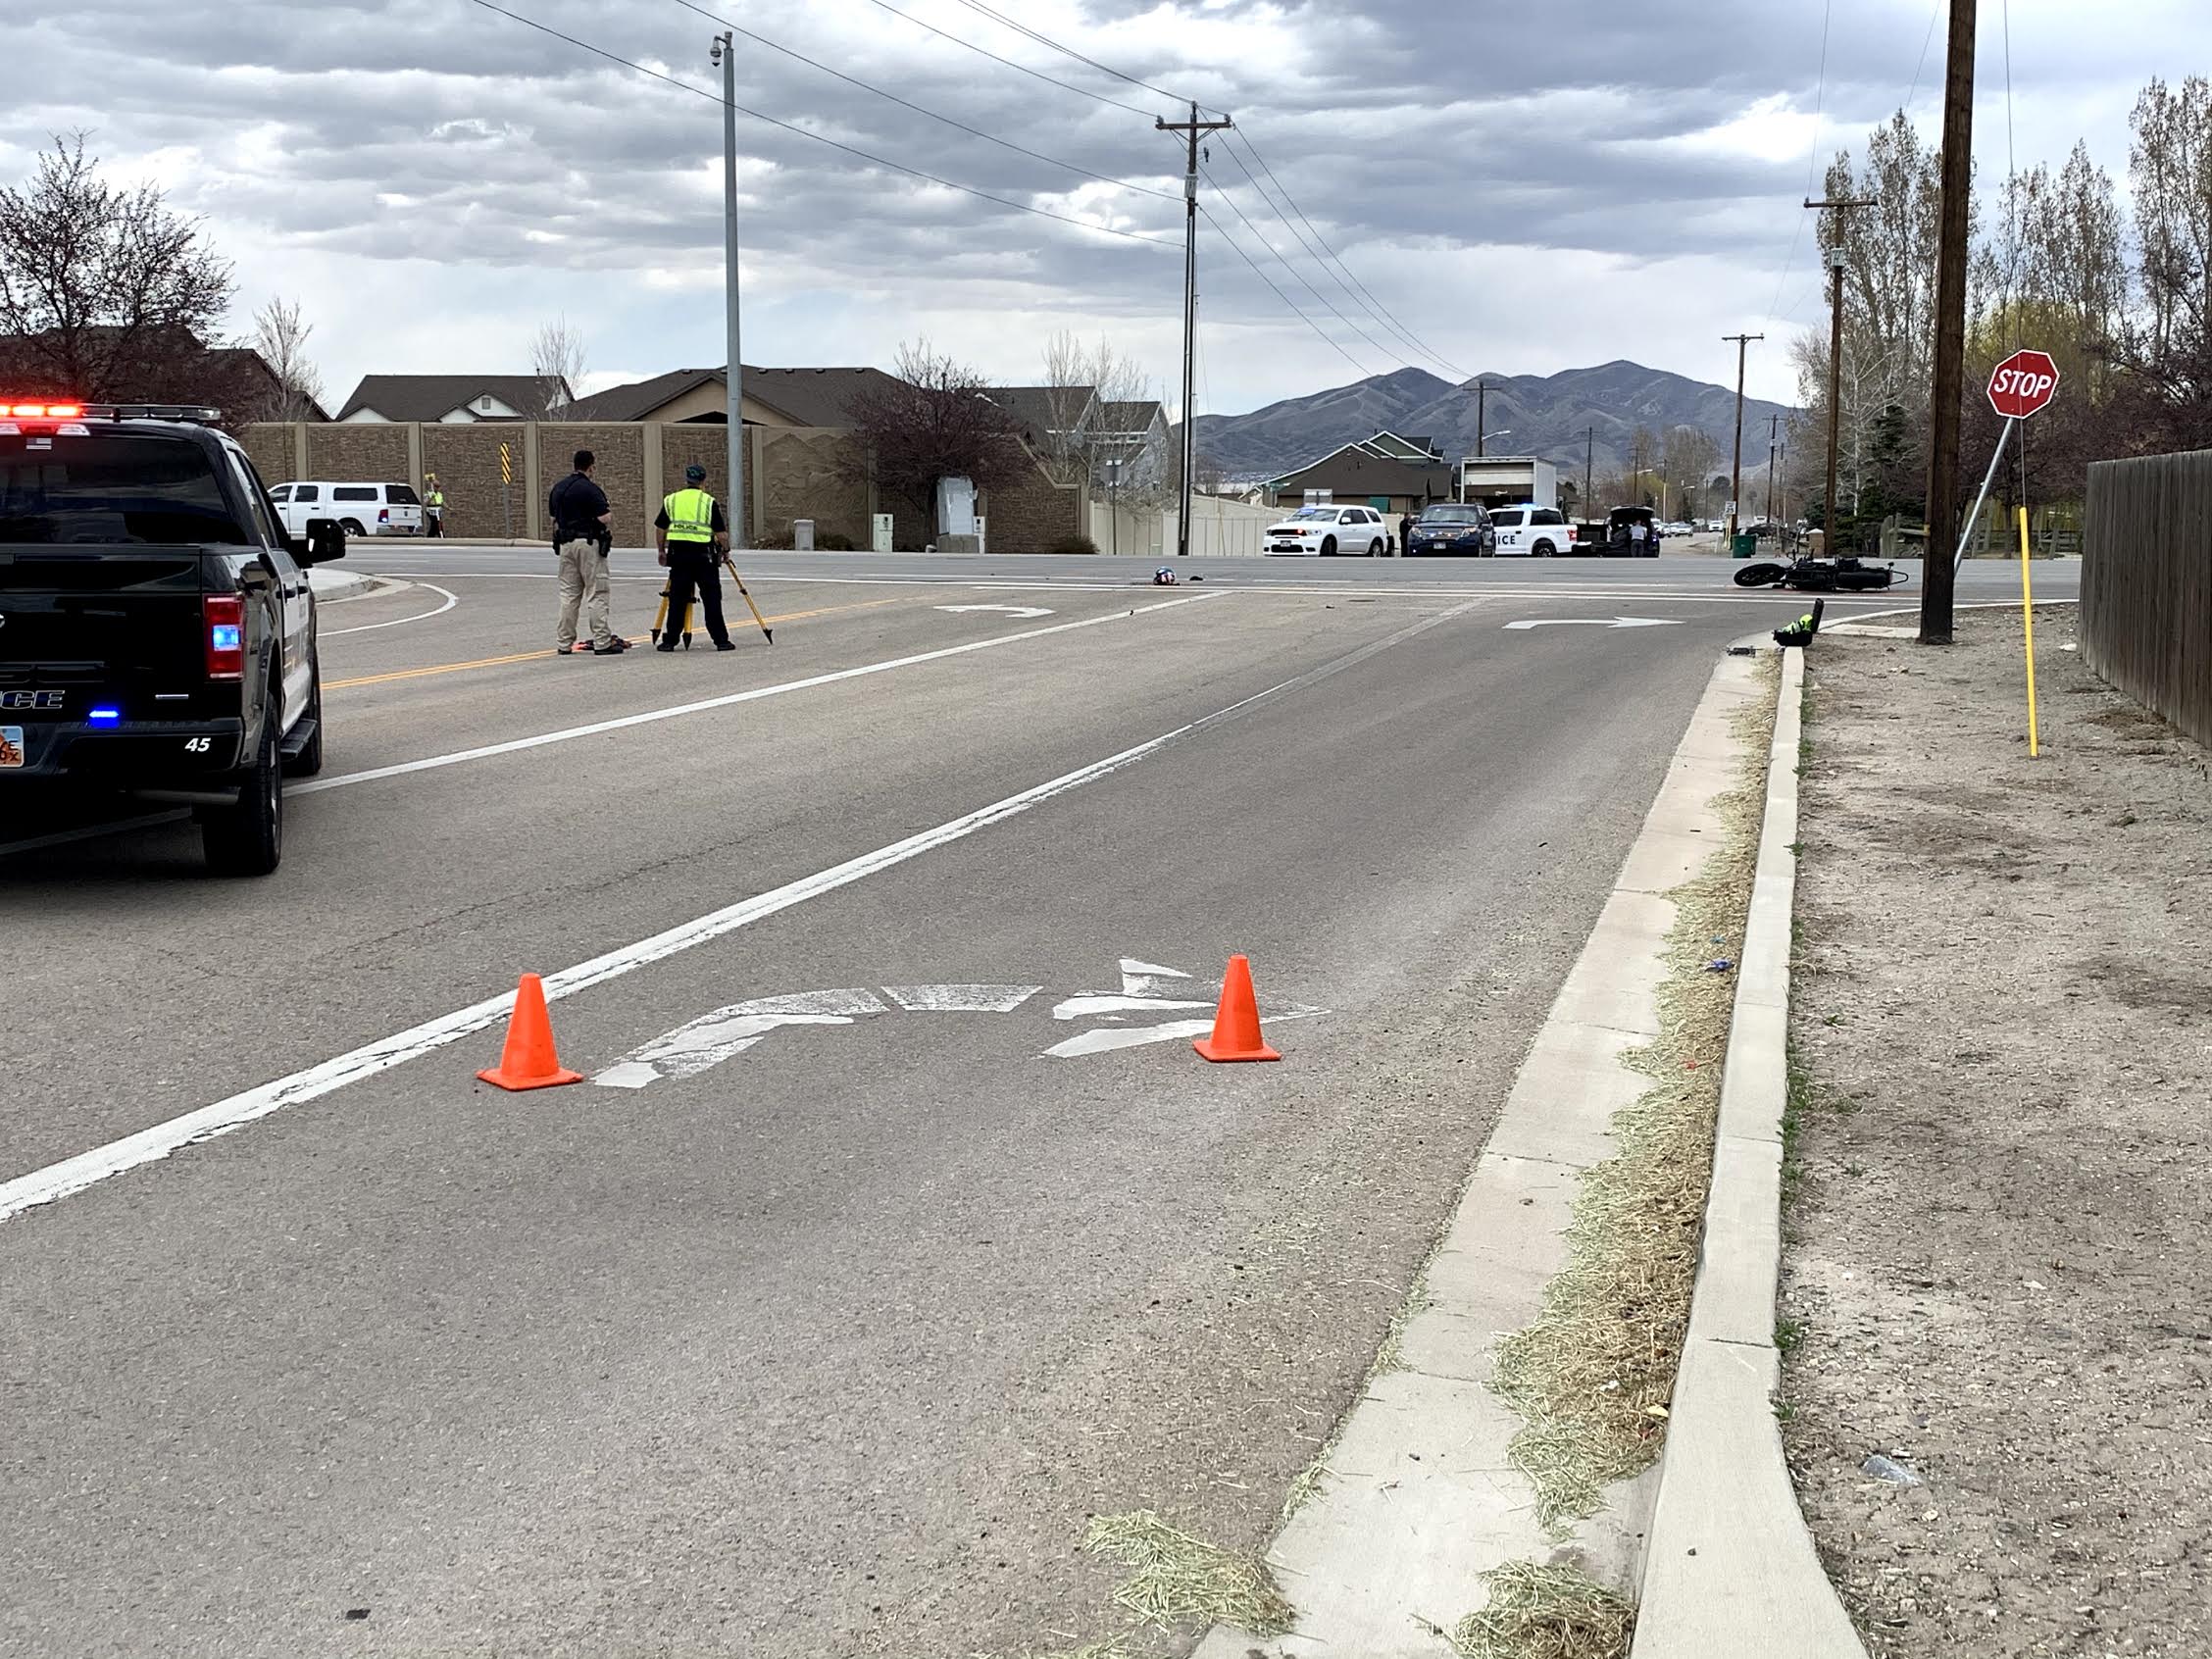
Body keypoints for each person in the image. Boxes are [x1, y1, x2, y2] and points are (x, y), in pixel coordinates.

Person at [549, 449, 627, 655]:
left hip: (566, 545)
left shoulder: (558, 488)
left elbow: (553, 518)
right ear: (590, 466)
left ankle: (564, 643)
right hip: (588, 543)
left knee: (568, 595)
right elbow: (605, 517)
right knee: (597, 593)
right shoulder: (591, 489)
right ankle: (602, 642)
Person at [654, 465, 734, 652]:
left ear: (686, 479)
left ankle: (670, 641)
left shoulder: (671, 500)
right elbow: (721, 534)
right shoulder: (708, 502)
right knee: (712, 599)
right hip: (704, 557)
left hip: (679, 556)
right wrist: (726, 550)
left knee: (677, 599)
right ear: (703, 481)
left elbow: (660, 529)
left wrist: (661, 551)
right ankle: (721, 640)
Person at [424, 473, 446, 538]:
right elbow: (426, 503)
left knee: (437, 523)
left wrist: (447, 507)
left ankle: (431, 536)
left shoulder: (439, 494)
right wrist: (431, 497)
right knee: (435, 522)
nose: (437, 488)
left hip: (438, 510)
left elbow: (442, 502)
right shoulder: (428, 493)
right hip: (431, 510)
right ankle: (441, 535)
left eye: (438, 487)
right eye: (436, 487)